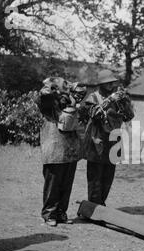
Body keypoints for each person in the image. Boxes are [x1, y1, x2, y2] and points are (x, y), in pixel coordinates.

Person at [37, 77, 87, 227]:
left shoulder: (70, 102)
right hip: (54, 150)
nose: (68, 86)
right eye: (64, 84)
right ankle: (49, 214)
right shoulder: (49, 103)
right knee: (53, 184)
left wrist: (71, 96)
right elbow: (44, 97)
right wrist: (53, 90)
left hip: (70, 150)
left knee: (66, 184)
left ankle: (61, 213)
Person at [83, 70, 134, 206]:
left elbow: (129, 117)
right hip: (97, 139)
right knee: (95, 176)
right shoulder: (93, 97)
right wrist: (110, 100)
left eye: (113, 82)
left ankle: (101, 204)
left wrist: (125, 102)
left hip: (114, 139)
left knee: (108, 175)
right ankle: (94, 205)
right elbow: (94, 114)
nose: (112, 85)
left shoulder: (119, 99)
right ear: (102, 84)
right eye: (108, 83)